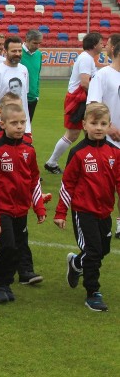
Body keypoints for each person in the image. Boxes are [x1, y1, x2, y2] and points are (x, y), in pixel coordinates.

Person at [54, 102, 119, 312]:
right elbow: (67, 184)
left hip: (105, 211)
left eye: (103, 123)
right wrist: (61, 213)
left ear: (109, 126)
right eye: (94, 123)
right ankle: (93, 292)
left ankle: (76, 264)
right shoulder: (78, 153)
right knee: (93, 251)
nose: (99, 127)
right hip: (84, 212)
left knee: (103, 249)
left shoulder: (114, 153)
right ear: (84, 125)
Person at [0, 102, 46, 304]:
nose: (19, 127)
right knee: (7, 247)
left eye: (22, 123)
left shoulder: (29, 150)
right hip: (0, 209)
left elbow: (34, 179)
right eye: (14, 123)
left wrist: (38, 206)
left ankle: (6, 282)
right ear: (2, 124)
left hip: (21, 209)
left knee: (17, 248)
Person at [45, 32, 103, 175]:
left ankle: (94, 162)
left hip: (80, 99)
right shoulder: (86, 59)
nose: (103, 45)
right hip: (78, 99)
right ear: (94, 45)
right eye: (101, 43)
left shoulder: (87, 58)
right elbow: (84, 82)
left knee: (89, 131)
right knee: (73, 133)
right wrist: (97, 95)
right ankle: (51, 162)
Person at [85, 36, 120, 238]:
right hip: (107, 141)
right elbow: (93, 106)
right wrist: (109, 128)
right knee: (105, 187)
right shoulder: (103, 75)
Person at [0, 36, 32, 135]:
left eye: (19, 51)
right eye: (14, 51)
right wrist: (2, 116)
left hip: (23, 126)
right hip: (5, 126)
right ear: (5, 51)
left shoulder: (24, 69)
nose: (17, 54)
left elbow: (24, 96)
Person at [21, 30, 43, 119]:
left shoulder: (38, 54)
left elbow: (37, 75)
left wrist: (36, 94)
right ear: (27, 40)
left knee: (27, 127)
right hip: (19, 97)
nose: (37, 46)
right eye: (34, 43)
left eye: (39, 43)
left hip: (33, 97)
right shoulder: (17, 53)